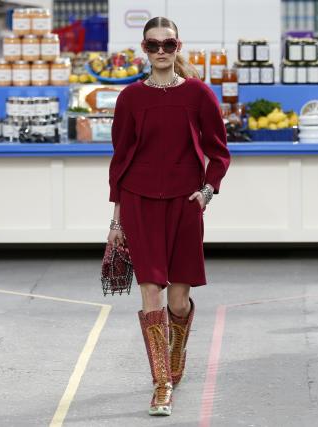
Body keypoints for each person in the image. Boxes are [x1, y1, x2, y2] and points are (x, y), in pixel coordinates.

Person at [106, 16, 231, 416]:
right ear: (143, 49)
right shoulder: (129, 99)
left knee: (178, 301)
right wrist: (116, 220)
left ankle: (176, 355)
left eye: (168, 44)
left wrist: (208, 191)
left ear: (179, 47)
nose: (160, 51)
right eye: (152, 45)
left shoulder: (199, 95)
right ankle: (161, 383)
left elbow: (219, 152)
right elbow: (120, 160)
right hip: (139, 202)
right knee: (150, 291)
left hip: (184, 204)